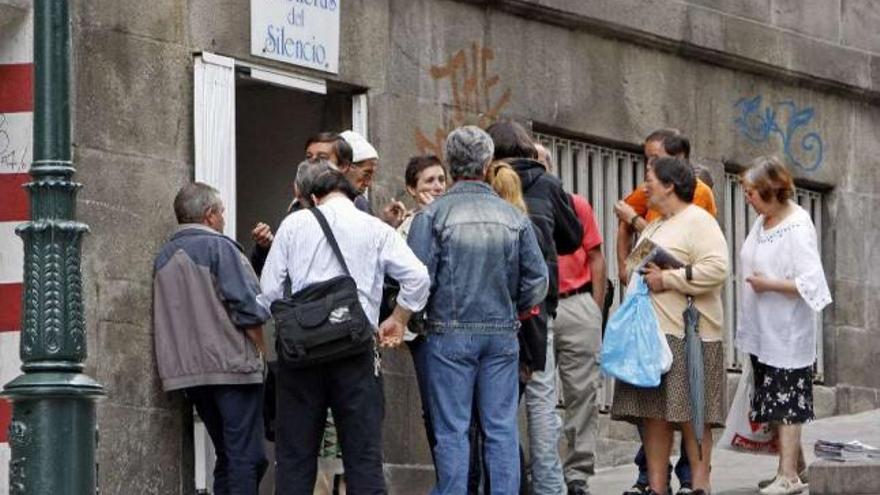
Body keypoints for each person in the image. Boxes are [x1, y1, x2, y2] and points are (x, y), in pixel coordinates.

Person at [259, 160, 431, 494]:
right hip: (356, 351)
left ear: (312, 196)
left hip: (301, 355)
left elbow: (269, 294)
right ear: (352, 194)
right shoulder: (376, 229)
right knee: (363, 457)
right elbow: (418, 277)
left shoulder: (294, 225)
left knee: (295, 457)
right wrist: (398, 318)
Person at [407, 126, 549, 494]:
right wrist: (512, 310)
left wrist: (421, 320)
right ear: (488, 163)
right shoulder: (514, 217)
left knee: (452, 430)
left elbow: (418, 279)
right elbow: (537, 281)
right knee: (501, 428)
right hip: (502, 332)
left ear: (451, 165)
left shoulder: (431, 216)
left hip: (447, 332)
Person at [610, 157, 729, 495]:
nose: (644, 186)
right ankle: (658, 488)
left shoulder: (699, 221)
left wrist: (670, 278)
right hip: (652, 336)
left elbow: (717, 269)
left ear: (669, 186)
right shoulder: (655, 224)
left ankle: (700, 487)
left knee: (693, 415)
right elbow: (629, 270)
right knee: (654, 417)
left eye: (649, 179)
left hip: (690, 335)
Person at [153, 182, 270, 495]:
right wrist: (261, 353)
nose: (224, 219)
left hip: (190, 374)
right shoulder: (220, 247)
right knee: (247, 457)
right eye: (221, 212)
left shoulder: (164, 256)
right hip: (233, 368)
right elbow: (247, 308)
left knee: (229, 455)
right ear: (209, 215)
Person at [486, 120, 583, 495]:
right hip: (539, 308)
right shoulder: (547, 183)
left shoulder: (484, 186)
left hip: (492, 308)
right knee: (542, 402)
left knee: (497, 406)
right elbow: (572, 238)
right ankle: (549, 487)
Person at [736, 156, 831, 495]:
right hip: (763, 329)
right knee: (771, 401)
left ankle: (787, 474)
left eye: (751, 192)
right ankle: (797, 466)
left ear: (771, 190)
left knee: (787, 400)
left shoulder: (799, 225)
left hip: (788, 332)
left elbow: (812, 284)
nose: (747, 198)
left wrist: (770, 284)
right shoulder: (763, 222)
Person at [615, 130, 717, 287]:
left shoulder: (699, 194)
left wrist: (634, 219)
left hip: (677, 282)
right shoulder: (649, 193)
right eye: (647, 161)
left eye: (655, 160)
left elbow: (671, 244)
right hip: (646, 279)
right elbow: (625, 216)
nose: (648, 166)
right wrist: (626, 269)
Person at [554, 192, 607, 493]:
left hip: (577, 301)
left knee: (583, 392)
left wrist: (594, 310)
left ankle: (577, 474)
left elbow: (596, 256)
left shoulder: (575, 205)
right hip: (537, 306)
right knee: (536, 393)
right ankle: (542, 467)